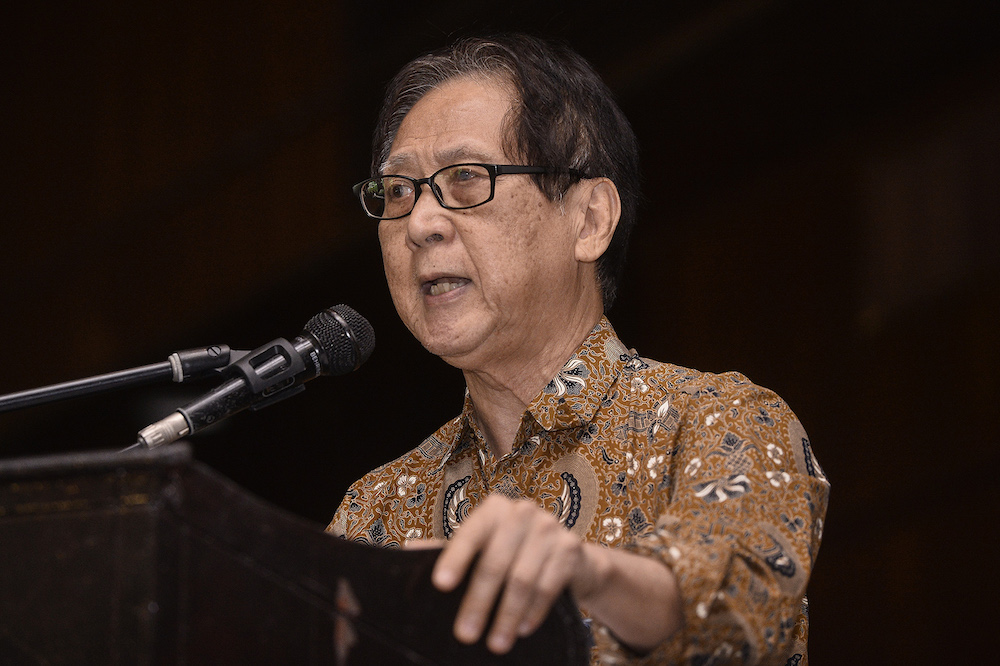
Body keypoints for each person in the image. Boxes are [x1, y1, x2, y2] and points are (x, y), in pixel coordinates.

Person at [327, 33, 829, 665]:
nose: (421, 223)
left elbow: (729, 610)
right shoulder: (375, 510)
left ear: (590, 218)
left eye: (465, 179)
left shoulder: (720, 420)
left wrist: (588, 575)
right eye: (398, 191)